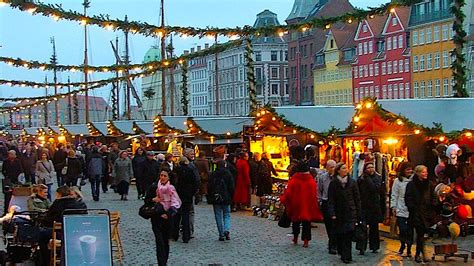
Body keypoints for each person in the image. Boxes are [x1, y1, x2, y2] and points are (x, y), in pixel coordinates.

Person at [39, 186, 87, 265]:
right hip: (78, 232)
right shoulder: (79, 203)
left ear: (59, 194)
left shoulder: (57, 204)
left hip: (61, 233)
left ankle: (46, 261)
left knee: (42, 235)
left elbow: (48, 220)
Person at [280, 159, 323, 248]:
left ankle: (295, 238)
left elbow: (288, 193)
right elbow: (314, 194)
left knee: (295, 222)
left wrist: (284, 200)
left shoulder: (294, 180)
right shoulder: (311, 181)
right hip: (307, 205)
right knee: (306, 223)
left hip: (296, 205)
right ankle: (306, 241)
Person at [145, 169, 181, 265]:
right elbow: (146, 201)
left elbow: (176, 204)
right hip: (156, 217)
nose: (162, 177)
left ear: (168, 177)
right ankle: (161, 263)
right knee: (159, 242)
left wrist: (168, 214)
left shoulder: (171, 188)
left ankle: (164, 261)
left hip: (167, 219)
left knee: (165, 242)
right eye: (161, 175)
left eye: (165, 176)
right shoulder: (154, 187)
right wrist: (153, 199)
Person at [328, 163, 361, 264]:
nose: (345, 170)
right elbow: (331, 199)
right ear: (338, 170)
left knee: (348, 234)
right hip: (339, 213)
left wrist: (358, 212)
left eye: (346, 168)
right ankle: (342, 252)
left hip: (350, 212)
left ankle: (347, 256)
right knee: (341, 234)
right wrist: (332, 213)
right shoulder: (334, 183)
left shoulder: (352, 182)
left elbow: (357, 198)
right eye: (343, 168)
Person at [405, 165, 437, 263]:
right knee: (420, 234)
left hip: (426, 213)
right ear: (418, 173)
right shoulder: (411, 185)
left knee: (422, 234)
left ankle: (420, 253)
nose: (425, 173)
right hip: (416, 213)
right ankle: (419, 254)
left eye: (426, 171)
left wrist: (433, 207)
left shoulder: (430, 184)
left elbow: (433, 197)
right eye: (423, 172)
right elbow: (408, 198)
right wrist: (412, 208)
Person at [356, 162, 383, 255]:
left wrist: (368, 179)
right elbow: (358, 192)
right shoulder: (361, 179)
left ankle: (374, 246)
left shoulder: (378, 178)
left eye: (372, 167)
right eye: (368, 167)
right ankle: (361, 247)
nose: (371, 169)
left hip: (374, 206)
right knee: (362, 227)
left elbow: (375, 189)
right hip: (363, 206)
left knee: (374, 228)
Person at [390, 162, 414, 257]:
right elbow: (394, 194)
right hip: (401, 207)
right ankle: (403, 244)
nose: (409, 171)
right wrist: (393, 206)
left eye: (410, 169)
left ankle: (409, 248)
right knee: (403, 229)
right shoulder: (397, 181)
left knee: (410, 230)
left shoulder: (414, 181)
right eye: (407, 169)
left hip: (411, 209)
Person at [208, 159, 235, 241]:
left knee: (218, 215)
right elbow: (232, 186)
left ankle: (221, 234)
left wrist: (210, 196)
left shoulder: (213, 174)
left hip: (216, 197)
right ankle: (226, 230)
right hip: (226, 196)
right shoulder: (228, 173)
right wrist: (231, 196)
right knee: (226, 214)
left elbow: (210, 186)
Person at [174, 156, 199, 243]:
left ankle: (175, 234)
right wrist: (193, 193)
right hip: (187, 195)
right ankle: (186, 236)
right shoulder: (190, 171)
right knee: (186, 215)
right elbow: (195, 182)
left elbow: (174, 183)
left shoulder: (176, 171)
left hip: (178, 194)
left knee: (177, 215)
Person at [318, 159, 337, 254]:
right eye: (331, 167)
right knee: (329, 225)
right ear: (327, 168)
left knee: (335, 225)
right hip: (326, 202)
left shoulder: (338, 178)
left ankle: (333, 244)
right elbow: (319, 190)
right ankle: (332, 242)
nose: (333, 169)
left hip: (336, 203)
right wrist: (320, 201)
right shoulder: (322, 178)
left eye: (334, 167)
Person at [2, 150, 23, 214]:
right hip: (8, 181)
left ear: (15, 155)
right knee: (7, 196)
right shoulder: (5, 161)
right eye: (10, 154)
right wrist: (6, 175)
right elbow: (3, 170)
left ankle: (15, 210)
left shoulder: (17, 161)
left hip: (15, 180)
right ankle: (6, 211)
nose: (11, 155)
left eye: (12, 154)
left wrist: (18, 178)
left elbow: (20, 170)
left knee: (15, 196)